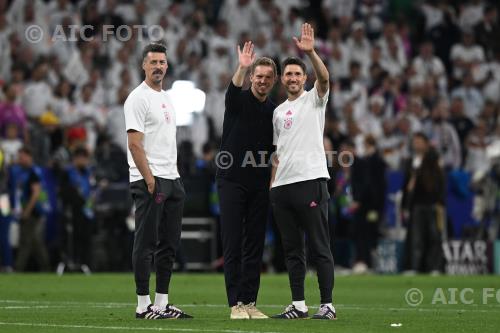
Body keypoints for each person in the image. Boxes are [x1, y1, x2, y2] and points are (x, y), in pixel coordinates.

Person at [270, 23, 336, 320]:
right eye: (289, 74)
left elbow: (325, 77)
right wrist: (272, 186)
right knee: (292, 250)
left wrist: (310, 52)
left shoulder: (314, 98)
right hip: (282, 187)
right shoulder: (277, 111)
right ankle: (298, 304)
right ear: (282, 80)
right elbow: (276, 153)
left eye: (298, 73)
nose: (293, 78)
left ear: (304, 77)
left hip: (310, 180)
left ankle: (327, 305)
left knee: (319, 246)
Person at [124, 43, 192, 320]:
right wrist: (150, 180)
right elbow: (134, 144)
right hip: (150, 179)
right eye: (153, 62)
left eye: (162, 62)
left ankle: (162, 303)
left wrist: (172, 178)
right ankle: (143, 305)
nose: (158, 67)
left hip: (172, 178)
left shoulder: (166, 97)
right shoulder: (137, 98)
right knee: (146, 242)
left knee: (169, 243)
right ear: (143, 65)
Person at [216, 41, 277, 319]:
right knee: (232, 242)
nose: (262, 81)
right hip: (231, 180)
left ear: (273, 81)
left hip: (259, 183)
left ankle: (250, 302)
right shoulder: (238, 101)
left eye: (267, 77)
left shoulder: (274, 112)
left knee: (255, 243)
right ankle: (235, 305)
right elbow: (231, 92)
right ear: (251, 77)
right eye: (258, 76)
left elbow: (276, 151)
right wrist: (240, 67)